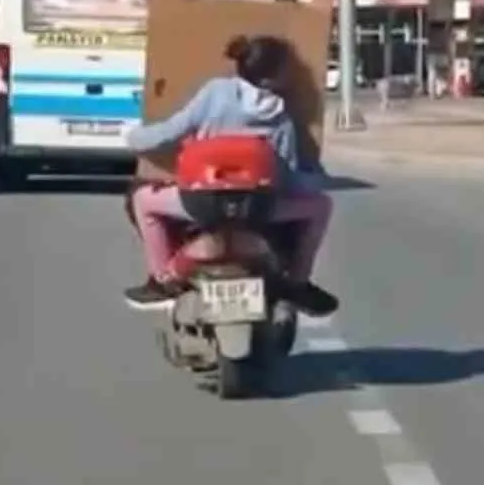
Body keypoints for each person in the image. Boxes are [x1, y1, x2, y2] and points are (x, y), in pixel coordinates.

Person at [123, 33, 338, 316]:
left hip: (200, 203)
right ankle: (297, 282)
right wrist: (317, 180)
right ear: (274, 77)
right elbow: (288, 177)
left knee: (142, 201)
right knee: (321, 206)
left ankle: (162, 281)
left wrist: (133, 138)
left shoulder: (216, 92)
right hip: (259, 208)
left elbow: (172, 131)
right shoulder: (280, 115)